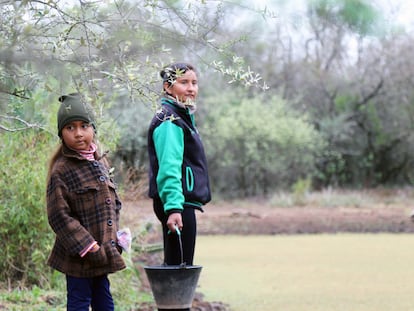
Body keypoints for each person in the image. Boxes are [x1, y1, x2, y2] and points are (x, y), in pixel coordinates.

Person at [46, 93, 126, 311]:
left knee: (104, 303)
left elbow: (112, 204)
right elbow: (58, 215)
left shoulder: (100, 163)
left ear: (93, 129)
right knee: (79, 303)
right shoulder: (61, 170)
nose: (79, 133)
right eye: (70, 128)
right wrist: (87, 245)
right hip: (79, 256)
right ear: (61, 133)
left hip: (102, 252)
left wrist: (115, 237)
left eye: (84, 126)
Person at [147, 62, 211, 270]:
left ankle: (177, 304)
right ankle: (175, 305)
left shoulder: (182, 118)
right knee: (179, 272)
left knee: (179, 269)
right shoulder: (169, 120)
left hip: (182, 204)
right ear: (167, 86)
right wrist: (174, 208)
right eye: (184, 82)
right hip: (177, 205)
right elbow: (169, 168)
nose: (191, 88)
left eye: (194, 82)